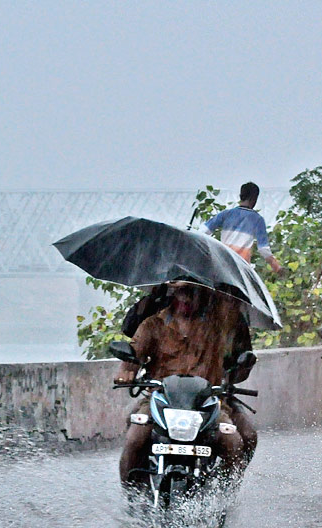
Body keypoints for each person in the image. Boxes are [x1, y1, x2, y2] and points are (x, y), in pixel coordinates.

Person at [114, 281, 257, 489]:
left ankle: (223, 494)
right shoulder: (153, 324)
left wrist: (243, 365)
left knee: (233, 441)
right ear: (172, 293)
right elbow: (131, 360)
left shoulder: (221, 326)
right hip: (161, 398)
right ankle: (134, 494)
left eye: (193, 293)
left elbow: (239, 365)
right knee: (135, 438)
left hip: (209, 401)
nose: (186, 299)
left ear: (205, 295)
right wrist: (125, 373)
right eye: (182, 292)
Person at [203, 182, 283, 274]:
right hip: (242, 269)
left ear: (241, 196)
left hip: (222, 264)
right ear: (254, 198)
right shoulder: (257, 219)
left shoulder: (226, 214)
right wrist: (277, 267)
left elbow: (203, 232)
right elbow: (263, 249)